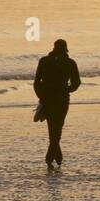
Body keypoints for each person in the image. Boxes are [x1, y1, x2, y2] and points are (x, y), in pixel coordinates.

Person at [33, 38, 81, 172]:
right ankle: (50, 157)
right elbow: (76, 83)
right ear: (66, 49)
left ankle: (55, 157)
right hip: (62, 98)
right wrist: (67, 89)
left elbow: (36, 82)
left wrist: (41, 96)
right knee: (58, 127)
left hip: (47, 98)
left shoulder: (44, 61)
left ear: (53, 47)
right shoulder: (70, 63)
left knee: (52, 128)